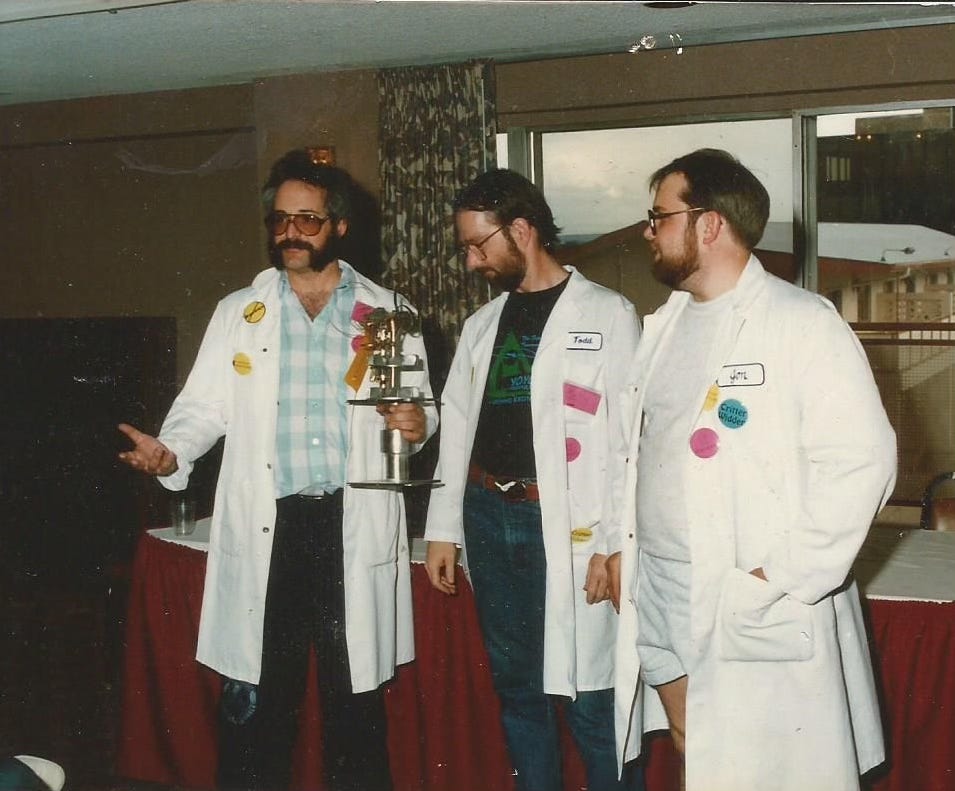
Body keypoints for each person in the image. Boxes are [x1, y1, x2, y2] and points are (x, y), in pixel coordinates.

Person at [117, 149, 438, 791]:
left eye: (307, 220)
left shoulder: (387, 311)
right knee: (256, 703)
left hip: (350, 522)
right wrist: (172, 451)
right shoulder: (241, 310)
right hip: (275, 527)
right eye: (281, 219)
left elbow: (419, 408)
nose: (289, 232)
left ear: (339, 227)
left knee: (355, 708)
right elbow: (205, 405)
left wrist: (418, 425)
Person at [612, 149, 896, 791]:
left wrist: (783, 573)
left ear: (708, 224)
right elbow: (639, 454)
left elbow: (864, 462)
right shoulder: (664, 325)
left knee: (764, 770)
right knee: (692, 745)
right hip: (659, 581)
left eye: (659, 216)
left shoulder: (801, 323)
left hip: (745, 589)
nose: (647, 231)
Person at [424, 168, 643, 791]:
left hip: (570, 529)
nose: (471, 261)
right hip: (490, 516)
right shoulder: (481, 326)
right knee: (517, 688)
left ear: (522, 230)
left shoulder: (608, 314)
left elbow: (630, 443)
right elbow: (457, 430)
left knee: (591, 699)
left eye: (479, 244)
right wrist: (444, 530)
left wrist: (615, 543)